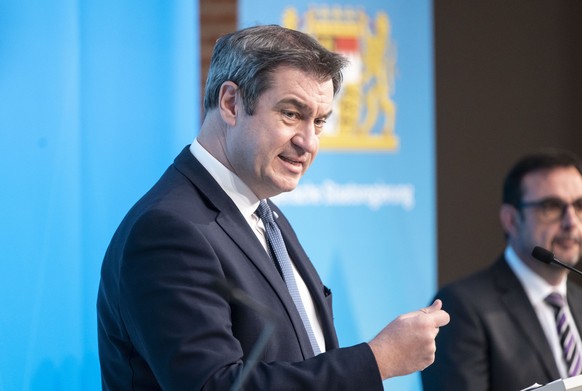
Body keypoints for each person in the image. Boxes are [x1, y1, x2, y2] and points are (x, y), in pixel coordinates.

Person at [96, 24, 449, 390]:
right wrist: (378, 360)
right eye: (291, 114)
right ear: (231, 103)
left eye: (320, 121)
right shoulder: (168, 228)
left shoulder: (266, 214)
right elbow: (215, 386)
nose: (308, 142)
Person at [421, 150, 582, 391]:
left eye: (579, 206)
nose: (571, 222)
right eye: (551, 206)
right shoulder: (461, 308)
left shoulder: (579, 300)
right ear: (511, 220)